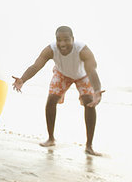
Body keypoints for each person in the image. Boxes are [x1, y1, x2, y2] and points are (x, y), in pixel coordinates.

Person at [12, 26, 104, 156]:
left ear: (73, 39)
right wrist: (22, 79)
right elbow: (36, 66)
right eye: (59, 40)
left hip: (82, 76)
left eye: (66, 40)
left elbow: (91, 71)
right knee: (51, 100)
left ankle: (89, 146)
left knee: (89, 102)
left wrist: (97, 91)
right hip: (62, 74)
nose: (62, 44)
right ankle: (51, 138)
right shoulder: (50, 50)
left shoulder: (82, 50)